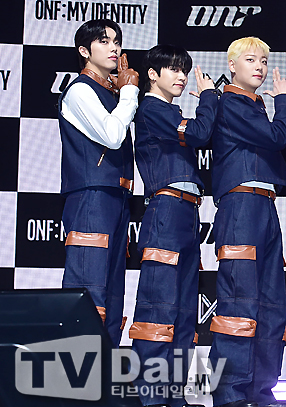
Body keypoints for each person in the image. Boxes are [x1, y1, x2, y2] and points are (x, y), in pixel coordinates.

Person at [128, 44, 218, 407]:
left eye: (184, 70)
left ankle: (176, 396)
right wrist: (209, 96)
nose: (182, 77)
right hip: (165, 210)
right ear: (153, 74)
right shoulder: (151, 108)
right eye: (174, 69)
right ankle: (149, 397)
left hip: (186, 212)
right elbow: (198, 133)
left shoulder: (168, 110)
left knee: (182, 310)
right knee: (158, 307)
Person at [207, 36, 286, 407]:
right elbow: (276, 136)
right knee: (238, 301)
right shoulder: (230, 102)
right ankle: (230, 392)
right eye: (250, 60)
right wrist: (285, 100)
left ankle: (261, 390)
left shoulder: (253, 104)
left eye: (263, 61)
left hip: (265, 205)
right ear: (232, 66)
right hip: (241, 205)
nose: (259, 67)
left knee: (271, 305)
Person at [58, 19, 139, 347]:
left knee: (112, 293)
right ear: (84, 51)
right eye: (104, 41)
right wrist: (129, 92)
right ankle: (77, 373)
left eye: (116, 41)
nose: (114, 48)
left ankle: (105, 369)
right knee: (89, 288)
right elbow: (112, 135)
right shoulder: (80, 89)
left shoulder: (111, 92)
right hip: (91, 197)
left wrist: (122, 92)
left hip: (116, 197)